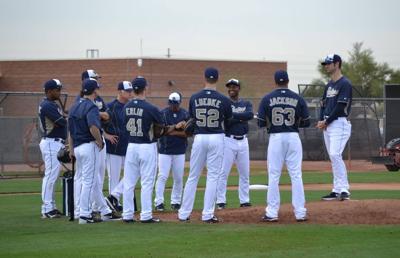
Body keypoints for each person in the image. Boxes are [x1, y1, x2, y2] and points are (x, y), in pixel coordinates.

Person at [178, 67, 232, 223]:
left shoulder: (195, 98)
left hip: (200, 137)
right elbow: (228, 119)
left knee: (193, 176)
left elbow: (191, 119)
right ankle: (207, 214)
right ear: (217, 79)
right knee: (213, 176)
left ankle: (183, 213)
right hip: (216, 136)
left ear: (205, 78)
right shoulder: (224, 99)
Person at [257, 70, 310, 222]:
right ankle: (300, 213)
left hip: (276, 137)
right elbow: (306, 122)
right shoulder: (298, 98)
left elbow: (260, 122)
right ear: (288, 81)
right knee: (296, 175)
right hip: (293, 136)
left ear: (275, 81)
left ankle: (272, 212)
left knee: (274, 175)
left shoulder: (267, 98)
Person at [68, 78, 116, 224]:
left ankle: (104, 211)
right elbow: (93, 127)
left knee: (89, 180)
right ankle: (84, 214)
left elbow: (69, 131)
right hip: (89, 146)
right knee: (89, 181)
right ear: (94, 91)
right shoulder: (91, 106)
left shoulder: (74, 106)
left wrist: (71, 149)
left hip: (77, 147)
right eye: (97, 89)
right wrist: (100, 141)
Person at [122, 76, 167, 223]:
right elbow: (161, 126)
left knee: (129, 182)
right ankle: (146, 215)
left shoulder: (126, 107)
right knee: (147, 182)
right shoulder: (150, 108)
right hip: (147, 146)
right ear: (145, 88)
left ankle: (127, 215)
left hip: (131, 146)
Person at [317, 54, 352, 201]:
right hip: (328, 124)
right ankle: (336, 189)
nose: (326, 66)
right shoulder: (329, 85)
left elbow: (340, 106)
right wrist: (321, 120)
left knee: (335, 154)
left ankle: (344, 189)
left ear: (337, 64)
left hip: (339, 122)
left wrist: (327, 121)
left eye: (329, 63)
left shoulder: (345, 83)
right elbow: (323, 104)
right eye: (325, 64)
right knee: (333, 156)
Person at [216, 78, 253, 209]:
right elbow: (226, 120)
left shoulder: (246, 102)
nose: (231, 88)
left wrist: (234, 116)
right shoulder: (225, 103)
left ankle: (244, 200)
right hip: (228, 140)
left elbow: (249, 115)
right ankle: (220, 200)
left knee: (244, 173)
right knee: (223, 172)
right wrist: (240, 117)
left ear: (238, 88)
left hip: (243, 141)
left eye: (234, 86)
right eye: (229, 86)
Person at [154, 92, 189, 211]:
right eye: (171, 103)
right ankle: (159, 202)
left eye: (175, 103)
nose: (173, 105)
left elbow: (188, 133)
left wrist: (172, 131)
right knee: (162, 176)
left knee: (178, 178)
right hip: (165, 150)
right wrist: (176, 126)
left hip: (179, 150)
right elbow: (161, 131)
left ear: (179, 103)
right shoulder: (163, 113)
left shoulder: (185, 114)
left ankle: (176, 201)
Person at [38, 79, 67, 218]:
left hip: (54, 142)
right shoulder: (47, 105)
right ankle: (47, 209)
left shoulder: (51, 104)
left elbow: (62, 121)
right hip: (51, 142)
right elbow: (62, 122)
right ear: (49, 91)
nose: (59, 92)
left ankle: (51, 206)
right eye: (57, 89)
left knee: (53, 176)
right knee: (50, 176)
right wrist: (63, 119)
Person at [103, 81, 133, 212]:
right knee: (113, 177)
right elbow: (96, 122)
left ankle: (114, 198)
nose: (130, 93)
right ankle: (114, 203)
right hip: (113, 147)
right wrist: (105, 135)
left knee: (131, 175)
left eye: (131, 91)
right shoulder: (110, 106)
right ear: (120, 91)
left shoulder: (131, 106)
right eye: (128, 91)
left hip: (128, 146)